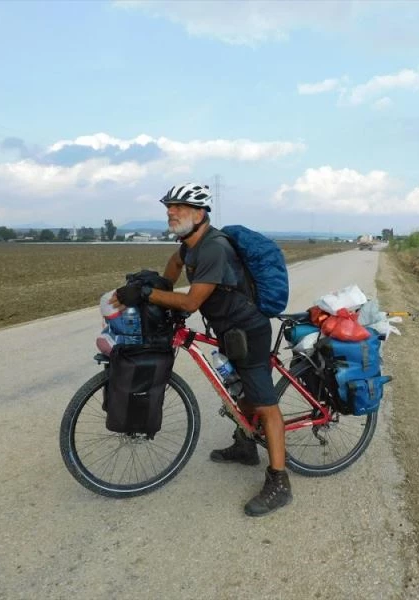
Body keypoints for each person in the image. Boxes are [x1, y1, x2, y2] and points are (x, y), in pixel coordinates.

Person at [109, 182, 292, 517]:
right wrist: (161, 284)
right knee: (238, 390)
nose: (171, 213)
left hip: (248, 331)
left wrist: (147, 295)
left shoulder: (214, 248)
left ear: (199, 213)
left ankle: (279, 482)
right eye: (169, 208)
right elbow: (175, 264)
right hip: (227, 329)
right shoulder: (190, 245)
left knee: (264, 404)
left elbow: (192, 301)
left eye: (178, 208)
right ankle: (246, 446)